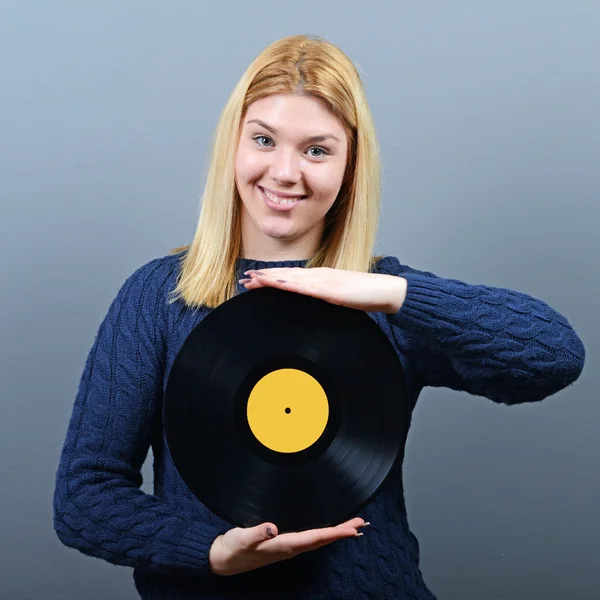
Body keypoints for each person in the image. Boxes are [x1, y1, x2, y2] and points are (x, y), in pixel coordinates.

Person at [53, 34, 586, 599]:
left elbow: (553, 355)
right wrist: (209, 553)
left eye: (316, 150)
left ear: (350, 165)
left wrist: (387, 291)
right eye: (264, 140)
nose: (285, 172)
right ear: (232, 145)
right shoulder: (161, 296)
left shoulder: (380, 299)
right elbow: (85, 497)